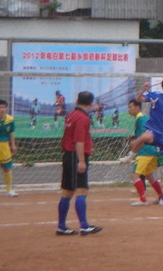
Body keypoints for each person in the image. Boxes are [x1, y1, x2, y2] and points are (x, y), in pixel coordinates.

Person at [120, 78, 163, 203]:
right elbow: (139, 98)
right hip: (154, 131)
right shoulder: (156, 97)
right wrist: (144, 89)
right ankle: (130, 157)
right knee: (145, 136)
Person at [56, 91, 102, 235]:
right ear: (91, 104)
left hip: (68, 155)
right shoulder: (83, 118)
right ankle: (83, 225)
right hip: (75, 156)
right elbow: (79, 141)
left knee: (67, 192)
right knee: (81, 190)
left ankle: (61, 226)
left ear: (77, 101)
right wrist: (81, 161)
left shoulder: (71, 115)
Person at [124, 99, 163, 206]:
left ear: (137, 107)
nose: (129, 109)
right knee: (149, 176)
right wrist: (134, 137)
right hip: (152, 150)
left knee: (135, 175)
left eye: (130, 107)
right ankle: (161, 196)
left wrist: (132, 151)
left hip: (145, 151)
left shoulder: (140, 119)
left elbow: (144, 135)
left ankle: (142, 200)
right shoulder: (143, 118)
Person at [0, 99, 18, 197]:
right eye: (0, 107)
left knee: (7, 168)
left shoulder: (10, 119)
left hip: (4, 146)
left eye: (4, 107)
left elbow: (11, 132)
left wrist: (13, 145)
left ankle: (9, 190)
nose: (2, 109)